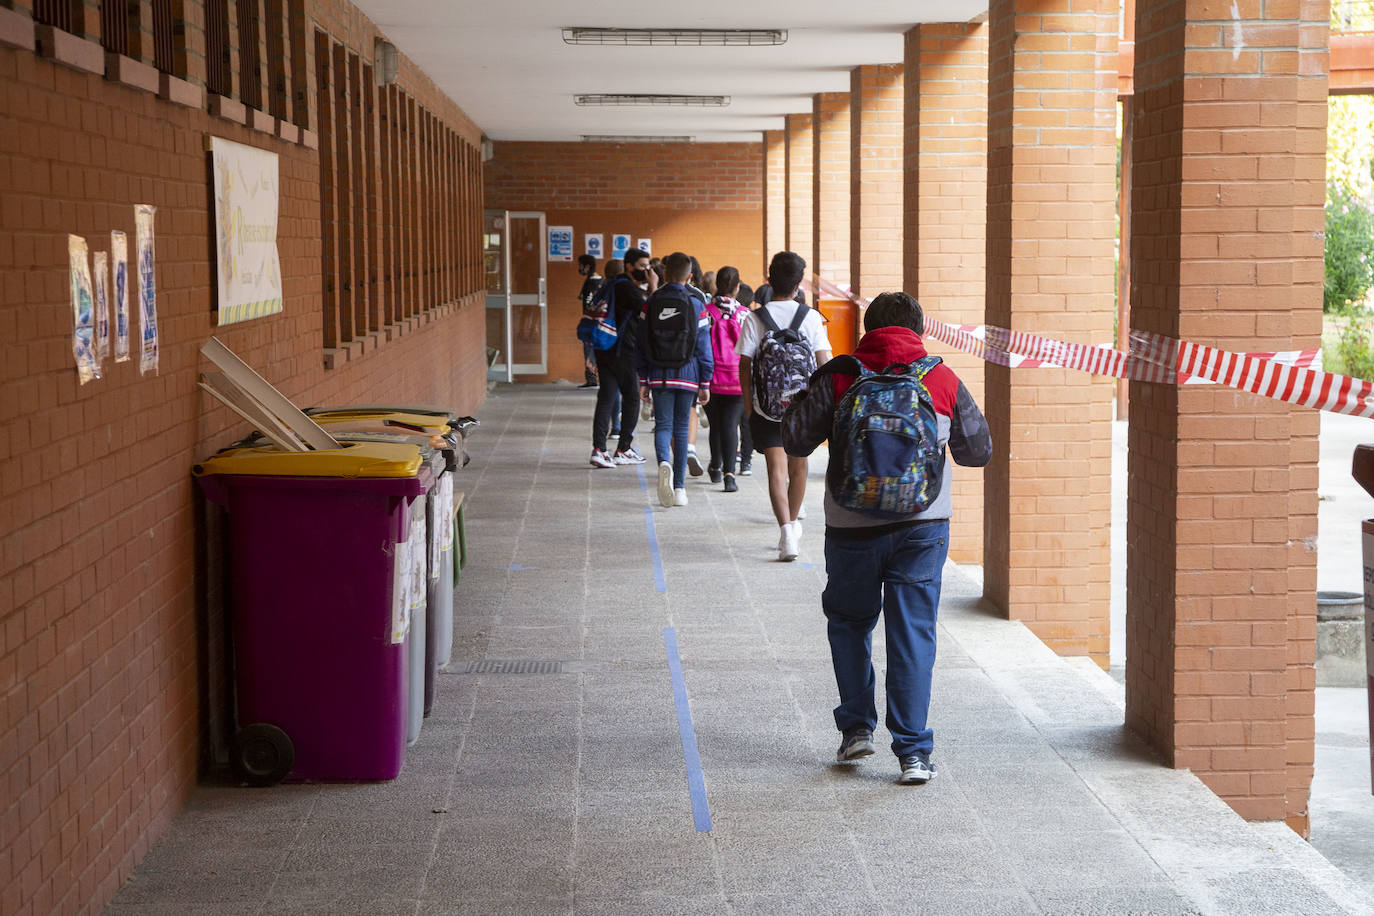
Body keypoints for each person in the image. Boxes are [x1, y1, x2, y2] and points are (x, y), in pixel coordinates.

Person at [782, 291, 992, 785]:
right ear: (917, 330)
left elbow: (794, 440)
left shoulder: (839, 374)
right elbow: (978, 451)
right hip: (921, 528)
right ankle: (914, 753)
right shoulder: (940, 377)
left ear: (868, 329)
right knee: (912, 633)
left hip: (851, 526)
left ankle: (857, 730)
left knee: (850, 624)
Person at [736, 251, 831, 561]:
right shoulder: (812, 318)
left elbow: (745, 366)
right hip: (802, 408)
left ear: (768, 279)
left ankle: (787, 532)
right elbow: (823, 365)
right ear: (799, 283)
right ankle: (792, 527)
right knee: (798, 468)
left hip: (766, 406)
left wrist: (750, 407)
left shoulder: (755, 318)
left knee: (776, 472)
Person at [637, 252, 713, 507]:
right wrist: (705, 382)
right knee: (682, 428)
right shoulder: (696, 303)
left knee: (663, 426)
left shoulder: (652, 301)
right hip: (688, 373)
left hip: (659, 374)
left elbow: (642, 342)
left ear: (665, 273)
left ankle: (664, 464)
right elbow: (704, 346)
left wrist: (643, 379)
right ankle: (679, 489)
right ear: (689, 276)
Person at [589, 248, 655, 468]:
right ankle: (624, 449)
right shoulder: (628, 288)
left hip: (604, 349)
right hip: (623, 351)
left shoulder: (610, 283)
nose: (646, 270)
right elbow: (650, 312)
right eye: (642, 266)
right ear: (629, 265)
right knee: (632, 398)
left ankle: (599, 449)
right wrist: (653, 285)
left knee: (606, 397)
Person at [702, 266, 747, 492]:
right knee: (731, 424)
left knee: (716, 425)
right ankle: (730, 475)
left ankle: (715, 467)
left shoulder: (705, 311)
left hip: (711, 378)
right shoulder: (745, 314)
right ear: (737, 287)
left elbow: (699, 346)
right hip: (737, 379)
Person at [576, 255, 602, 388]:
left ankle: (591, 378)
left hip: (590, 322)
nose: (579, 268)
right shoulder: (601, 280)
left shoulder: (591, 282)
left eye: (580, 265)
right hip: (600, 322)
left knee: (589, 349)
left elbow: (588, 302)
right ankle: (595, 377)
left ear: (587, 266)